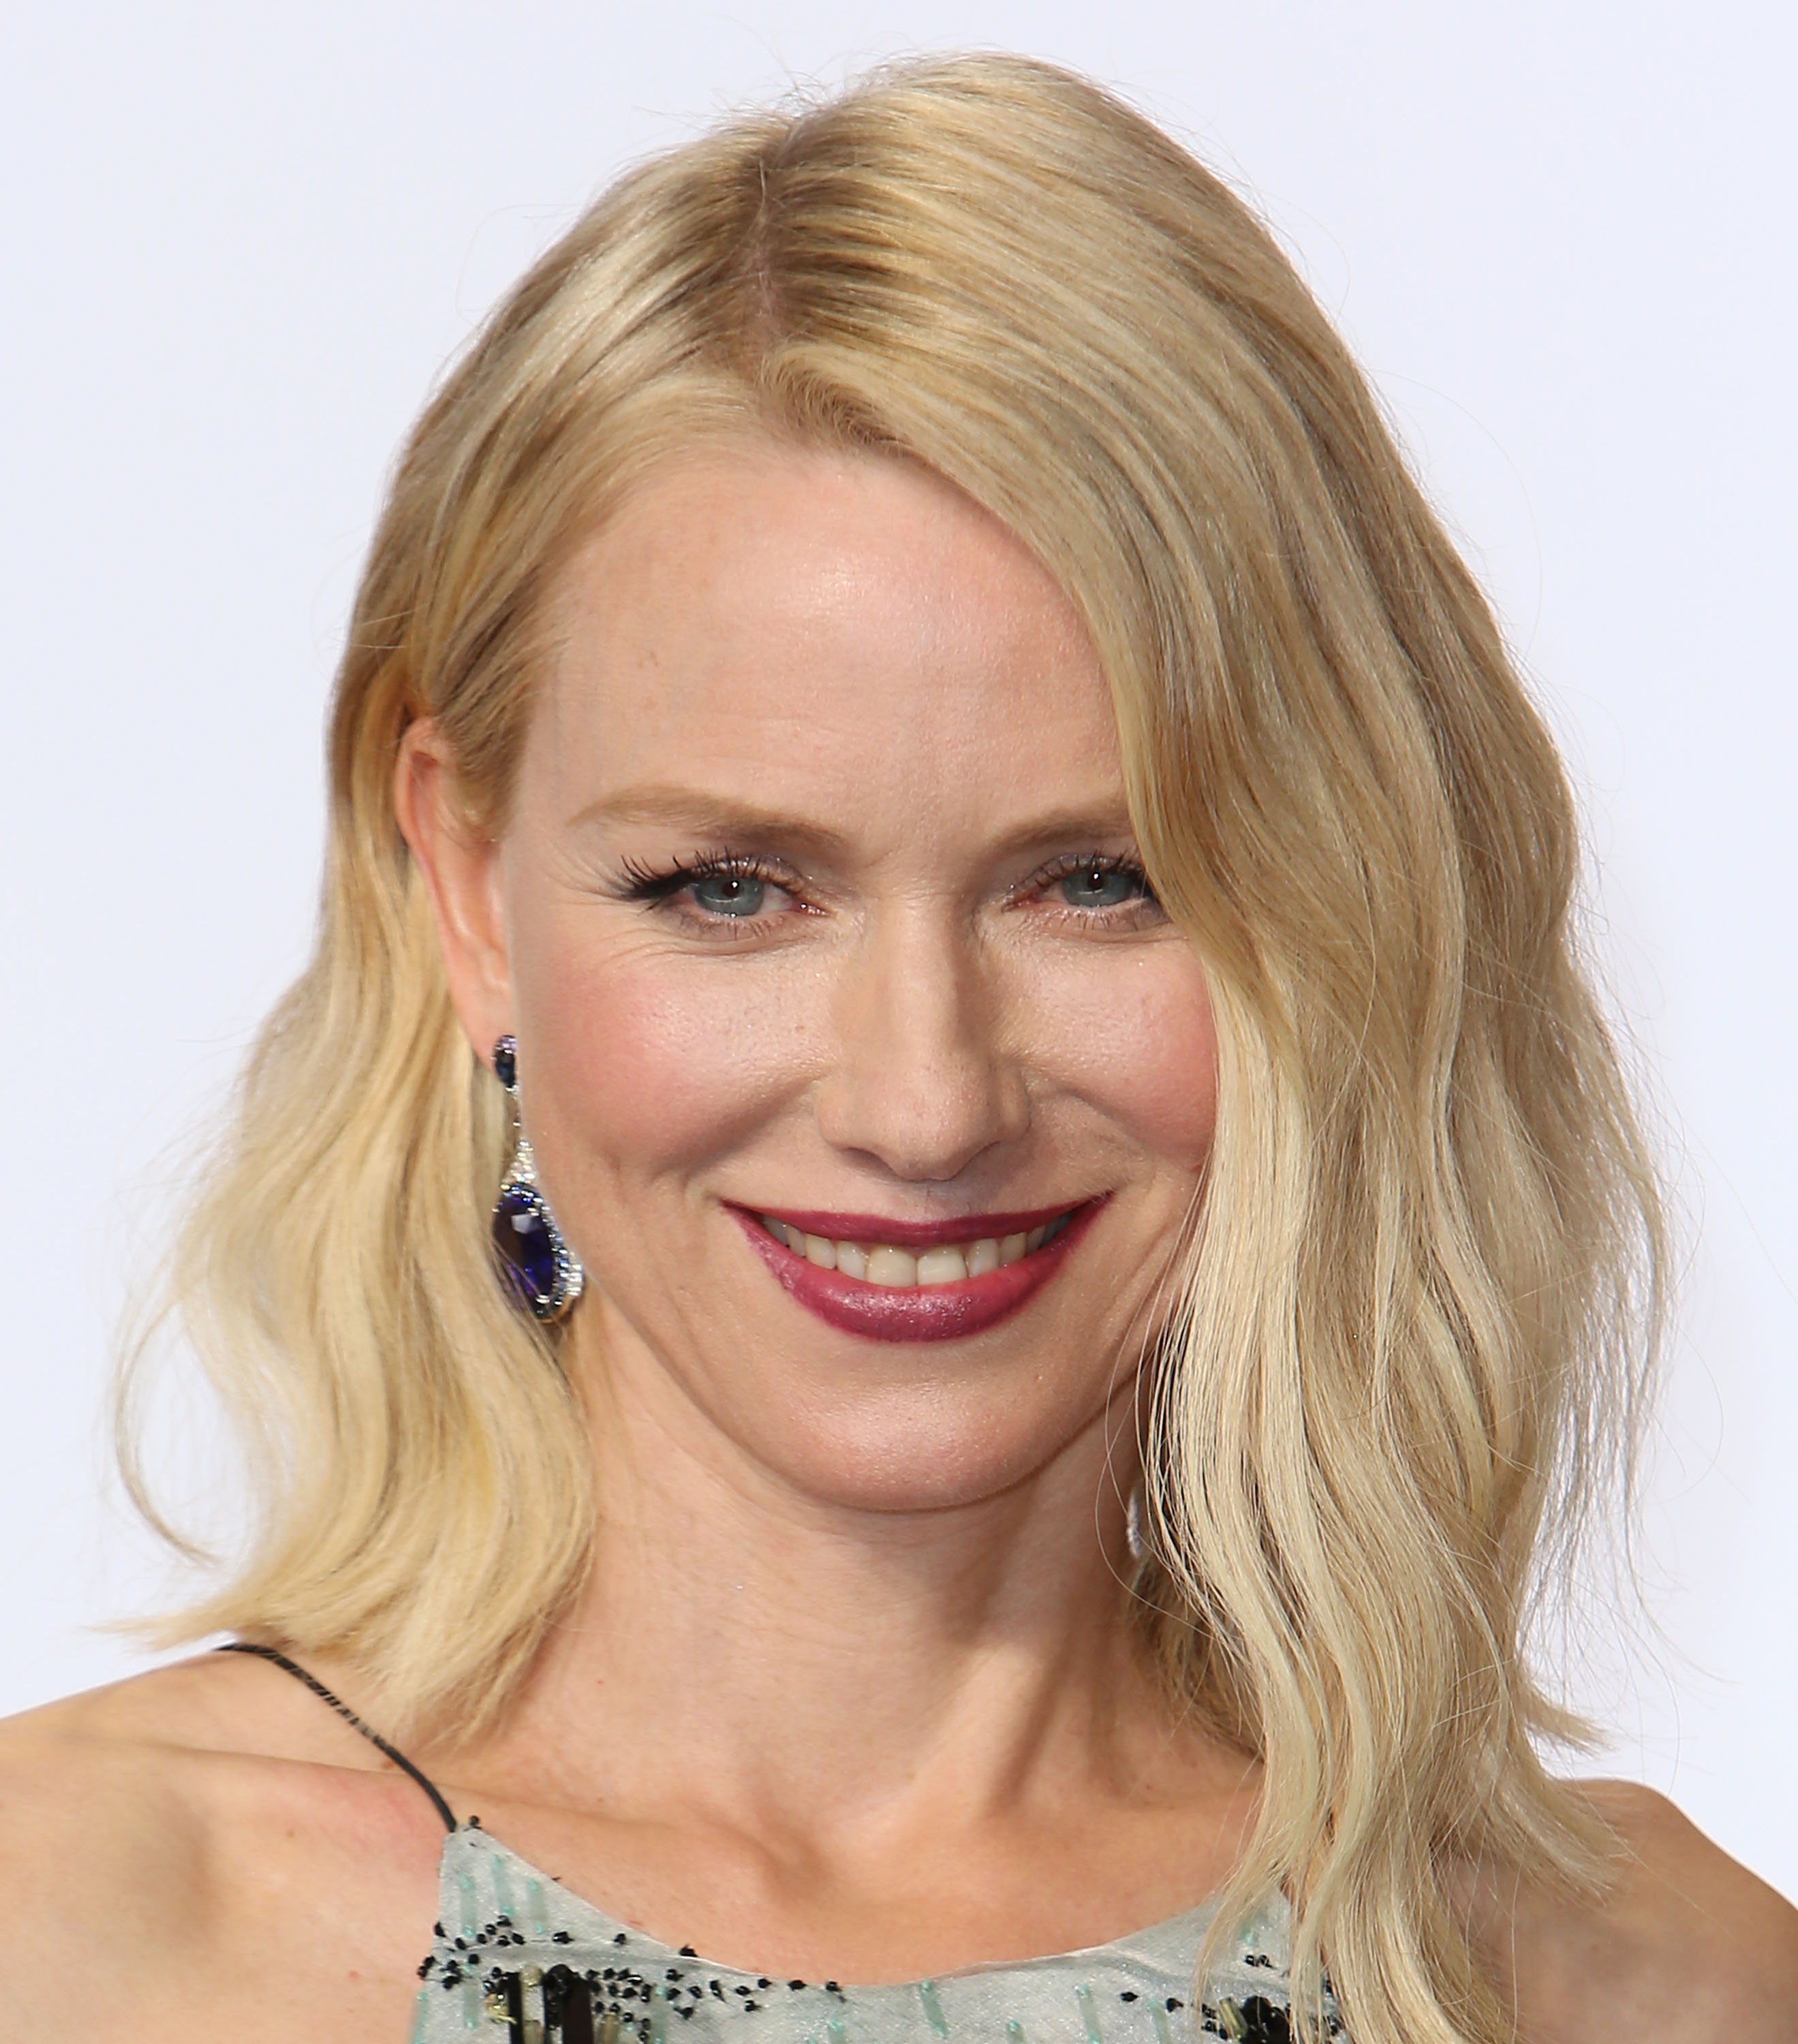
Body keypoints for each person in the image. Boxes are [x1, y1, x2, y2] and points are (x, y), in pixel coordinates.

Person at [1, 50, 1791, 2044]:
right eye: (731, 890)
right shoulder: (71, 1935)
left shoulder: (1632, 1989)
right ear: (470, 889)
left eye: (1101, 881)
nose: (925, 1103)